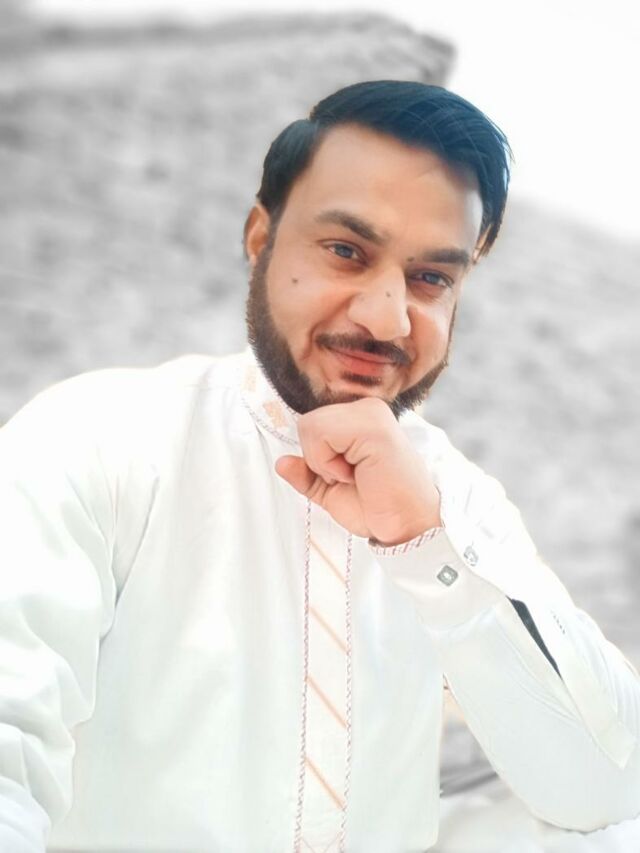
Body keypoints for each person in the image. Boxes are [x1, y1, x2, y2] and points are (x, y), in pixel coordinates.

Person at [0, 80, 639, 853]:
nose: (387, 317)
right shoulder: (97, 438)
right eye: (346, 252)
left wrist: (427, 550)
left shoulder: (457, 499)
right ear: (260, 238)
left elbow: (608, 787)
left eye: (431, 278)